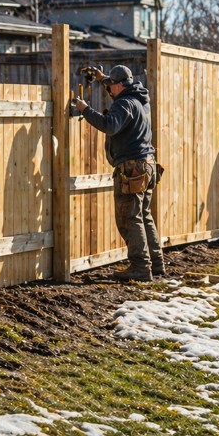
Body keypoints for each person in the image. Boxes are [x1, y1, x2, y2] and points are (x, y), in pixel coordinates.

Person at [72, 65, 164, 282]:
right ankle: (156, 263)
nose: (109, 91)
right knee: (144, 216)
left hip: (132, 168)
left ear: (120, 85)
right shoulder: (140, 98)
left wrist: (84, 108)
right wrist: (104, 78)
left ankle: (140, 268)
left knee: (129, 218)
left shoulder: (124, 104)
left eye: (111, 86)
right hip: (148, 164)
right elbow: (118, 88)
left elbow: (109, 125)